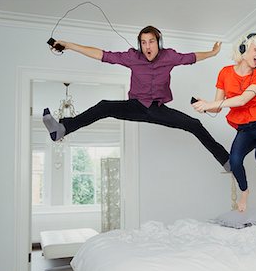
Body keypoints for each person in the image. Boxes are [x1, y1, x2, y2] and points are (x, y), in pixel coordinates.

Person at [43, 25, 230, 171]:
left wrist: (213, 53)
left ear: (159, 42)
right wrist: (68, 45)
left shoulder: (169, 56)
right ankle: (62, 129)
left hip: (158, 109)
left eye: (151, 41)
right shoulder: (133, 57)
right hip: (135, 106)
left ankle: (227, 162)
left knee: (194, 124)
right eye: (143, 42)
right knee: (104, 106)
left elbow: (192, 57)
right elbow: (101, 54)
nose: (147, 46)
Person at [192, 33, 256, 212]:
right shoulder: (225, 73)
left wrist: (211, 104)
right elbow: (217, 108)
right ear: (243, 50)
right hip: (244, 128)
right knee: (235, 161)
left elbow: (242, 100)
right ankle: (244, 192)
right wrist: (205, 106)